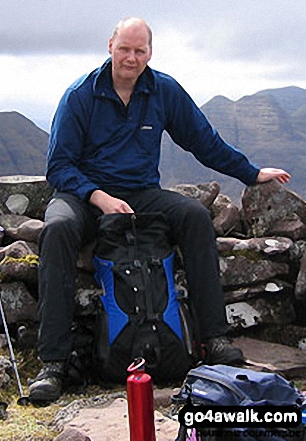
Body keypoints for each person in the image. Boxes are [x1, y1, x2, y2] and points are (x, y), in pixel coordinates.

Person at [28, 17, 292, 403]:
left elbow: (203, 141)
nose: (131, 58)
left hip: (140, 194)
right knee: (58, 230)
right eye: (125, 49)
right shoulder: (80, 95)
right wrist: (98, 197)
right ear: (110, 46)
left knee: (195, 217)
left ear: (149, 53)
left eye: (139, 50)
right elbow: (59, 167)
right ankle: (52, 362)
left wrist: (251, 173)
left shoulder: (163, 91)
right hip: (84, 196)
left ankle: (215, 339)